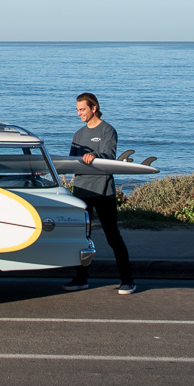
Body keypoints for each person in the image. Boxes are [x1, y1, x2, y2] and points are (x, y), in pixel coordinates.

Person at [63, 93, 136, 295]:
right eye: (77, 110)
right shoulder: (78, 134)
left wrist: (94, 156)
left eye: (82, 109)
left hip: (103, 191)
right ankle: (81, 278)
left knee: (113, 236)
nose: (79, 113)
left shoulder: (107, 130)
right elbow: (71, 161)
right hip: (81, 191)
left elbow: (109, 156)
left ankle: (127, 279)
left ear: (94, 108)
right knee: (81, 237)